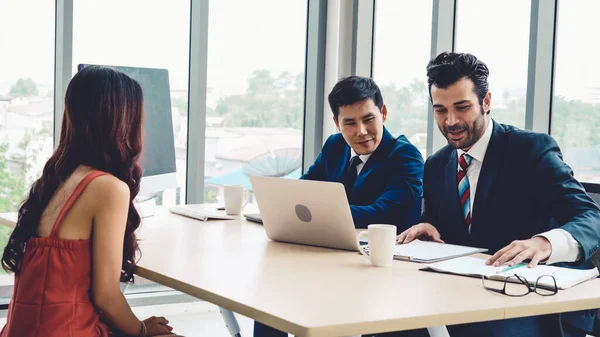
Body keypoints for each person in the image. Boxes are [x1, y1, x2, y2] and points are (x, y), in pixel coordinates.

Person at [393, 52, 600, 337]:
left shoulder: (531, 150)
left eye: (462, 107)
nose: (451, 120)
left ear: (486, 102)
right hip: (458, 295)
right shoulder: (436, 165)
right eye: (441, 110)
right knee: (392, 326)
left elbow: (591, 217)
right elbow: (452, 233)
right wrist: (430, 228)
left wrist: (544, 243)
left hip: (529, 301)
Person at [0, 66, 181, 337]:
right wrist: (142, 330)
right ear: (123, 122)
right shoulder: (108, 188)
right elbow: (106, 296)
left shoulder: (58, 179)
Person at [254, 75, 425, 337]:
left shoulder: (405, 155)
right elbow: (303, 192)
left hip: (383, 270)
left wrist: (325, 212)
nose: (361, 131)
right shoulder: (335, 146)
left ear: (384, 113)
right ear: (337, 123)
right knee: (271, 285)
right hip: (336, 259)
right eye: (350, 123)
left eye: (369, 119)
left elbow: (382, 213)